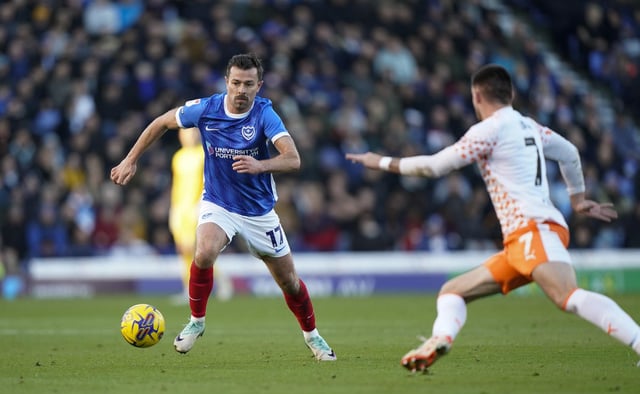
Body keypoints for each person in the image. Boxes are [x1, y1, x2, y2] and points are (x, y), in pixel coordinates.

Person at [346, 64, 640, 372]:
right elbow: (569, 152)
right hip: (522, 239)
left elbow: (433, 167)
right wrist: (577, 199)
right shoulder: (530, 126)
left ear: (476, 96)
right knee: (453, 291)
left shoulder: (490, 130)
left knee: (567, 295)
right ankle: (440, 339)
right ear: (510, 94)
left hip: (533, 229)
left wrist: (379, 161)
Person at [111, 53, 336, 361]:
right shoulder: (206, 109)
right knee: (203, 252)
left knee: (290, 283)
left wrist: (261, 165)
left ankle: (314, 337)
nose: (241, 90)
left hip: (258, 211)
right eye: (235, 83)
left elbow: (293, 159)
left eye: (248, 84)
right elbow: (160, 122)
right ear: (226, 82)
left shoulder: (264, 115)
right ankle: (196, 322)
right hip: (219, 203)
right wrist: (130, 159)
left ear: (259, 85)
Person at [169, 127, 233, 303]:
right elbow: (176, 186)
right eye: (186, 133)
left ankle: (220, 282)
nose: (189, 136)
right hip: (180, 208)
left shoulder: (203, 154)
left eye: (192, 132)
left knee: (196, 248)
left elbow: (209, 181)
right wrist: (173, 209)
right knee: (183, 249)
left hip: (197, 206)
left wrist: (200, 204)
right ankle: (188, 287)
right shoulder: (178, 157)